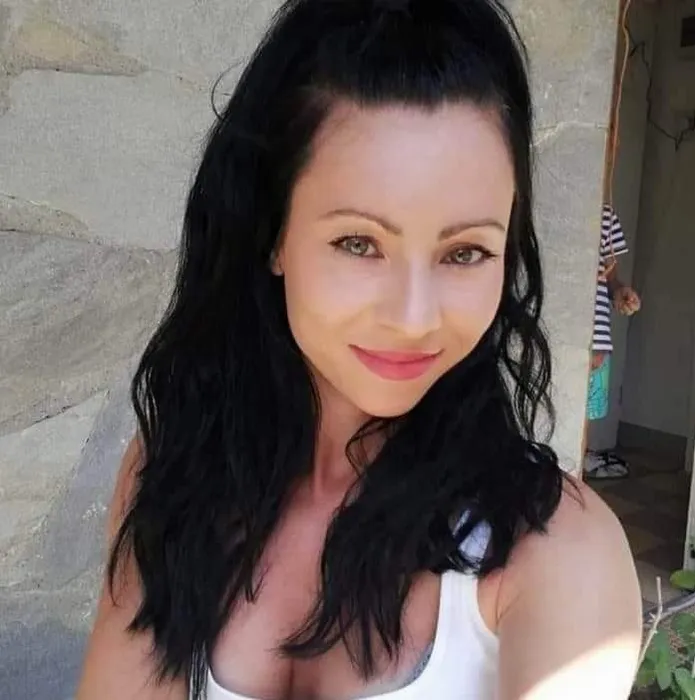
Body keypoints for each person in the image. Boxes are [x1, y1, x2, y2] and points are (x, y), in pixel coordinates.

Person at [77, 2, 642, 699]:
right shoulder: (175, 473)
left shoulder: (555, 551)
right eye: (358, 243)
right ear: (274, 236)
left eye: (464, 252)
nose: (412, 318)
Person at [584, 204, 642, 480]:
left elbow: (608, 276)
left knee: (581, 422)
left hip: (597, 336)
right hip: (549, 326)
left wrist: (618, 291)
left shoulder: (605, 212)